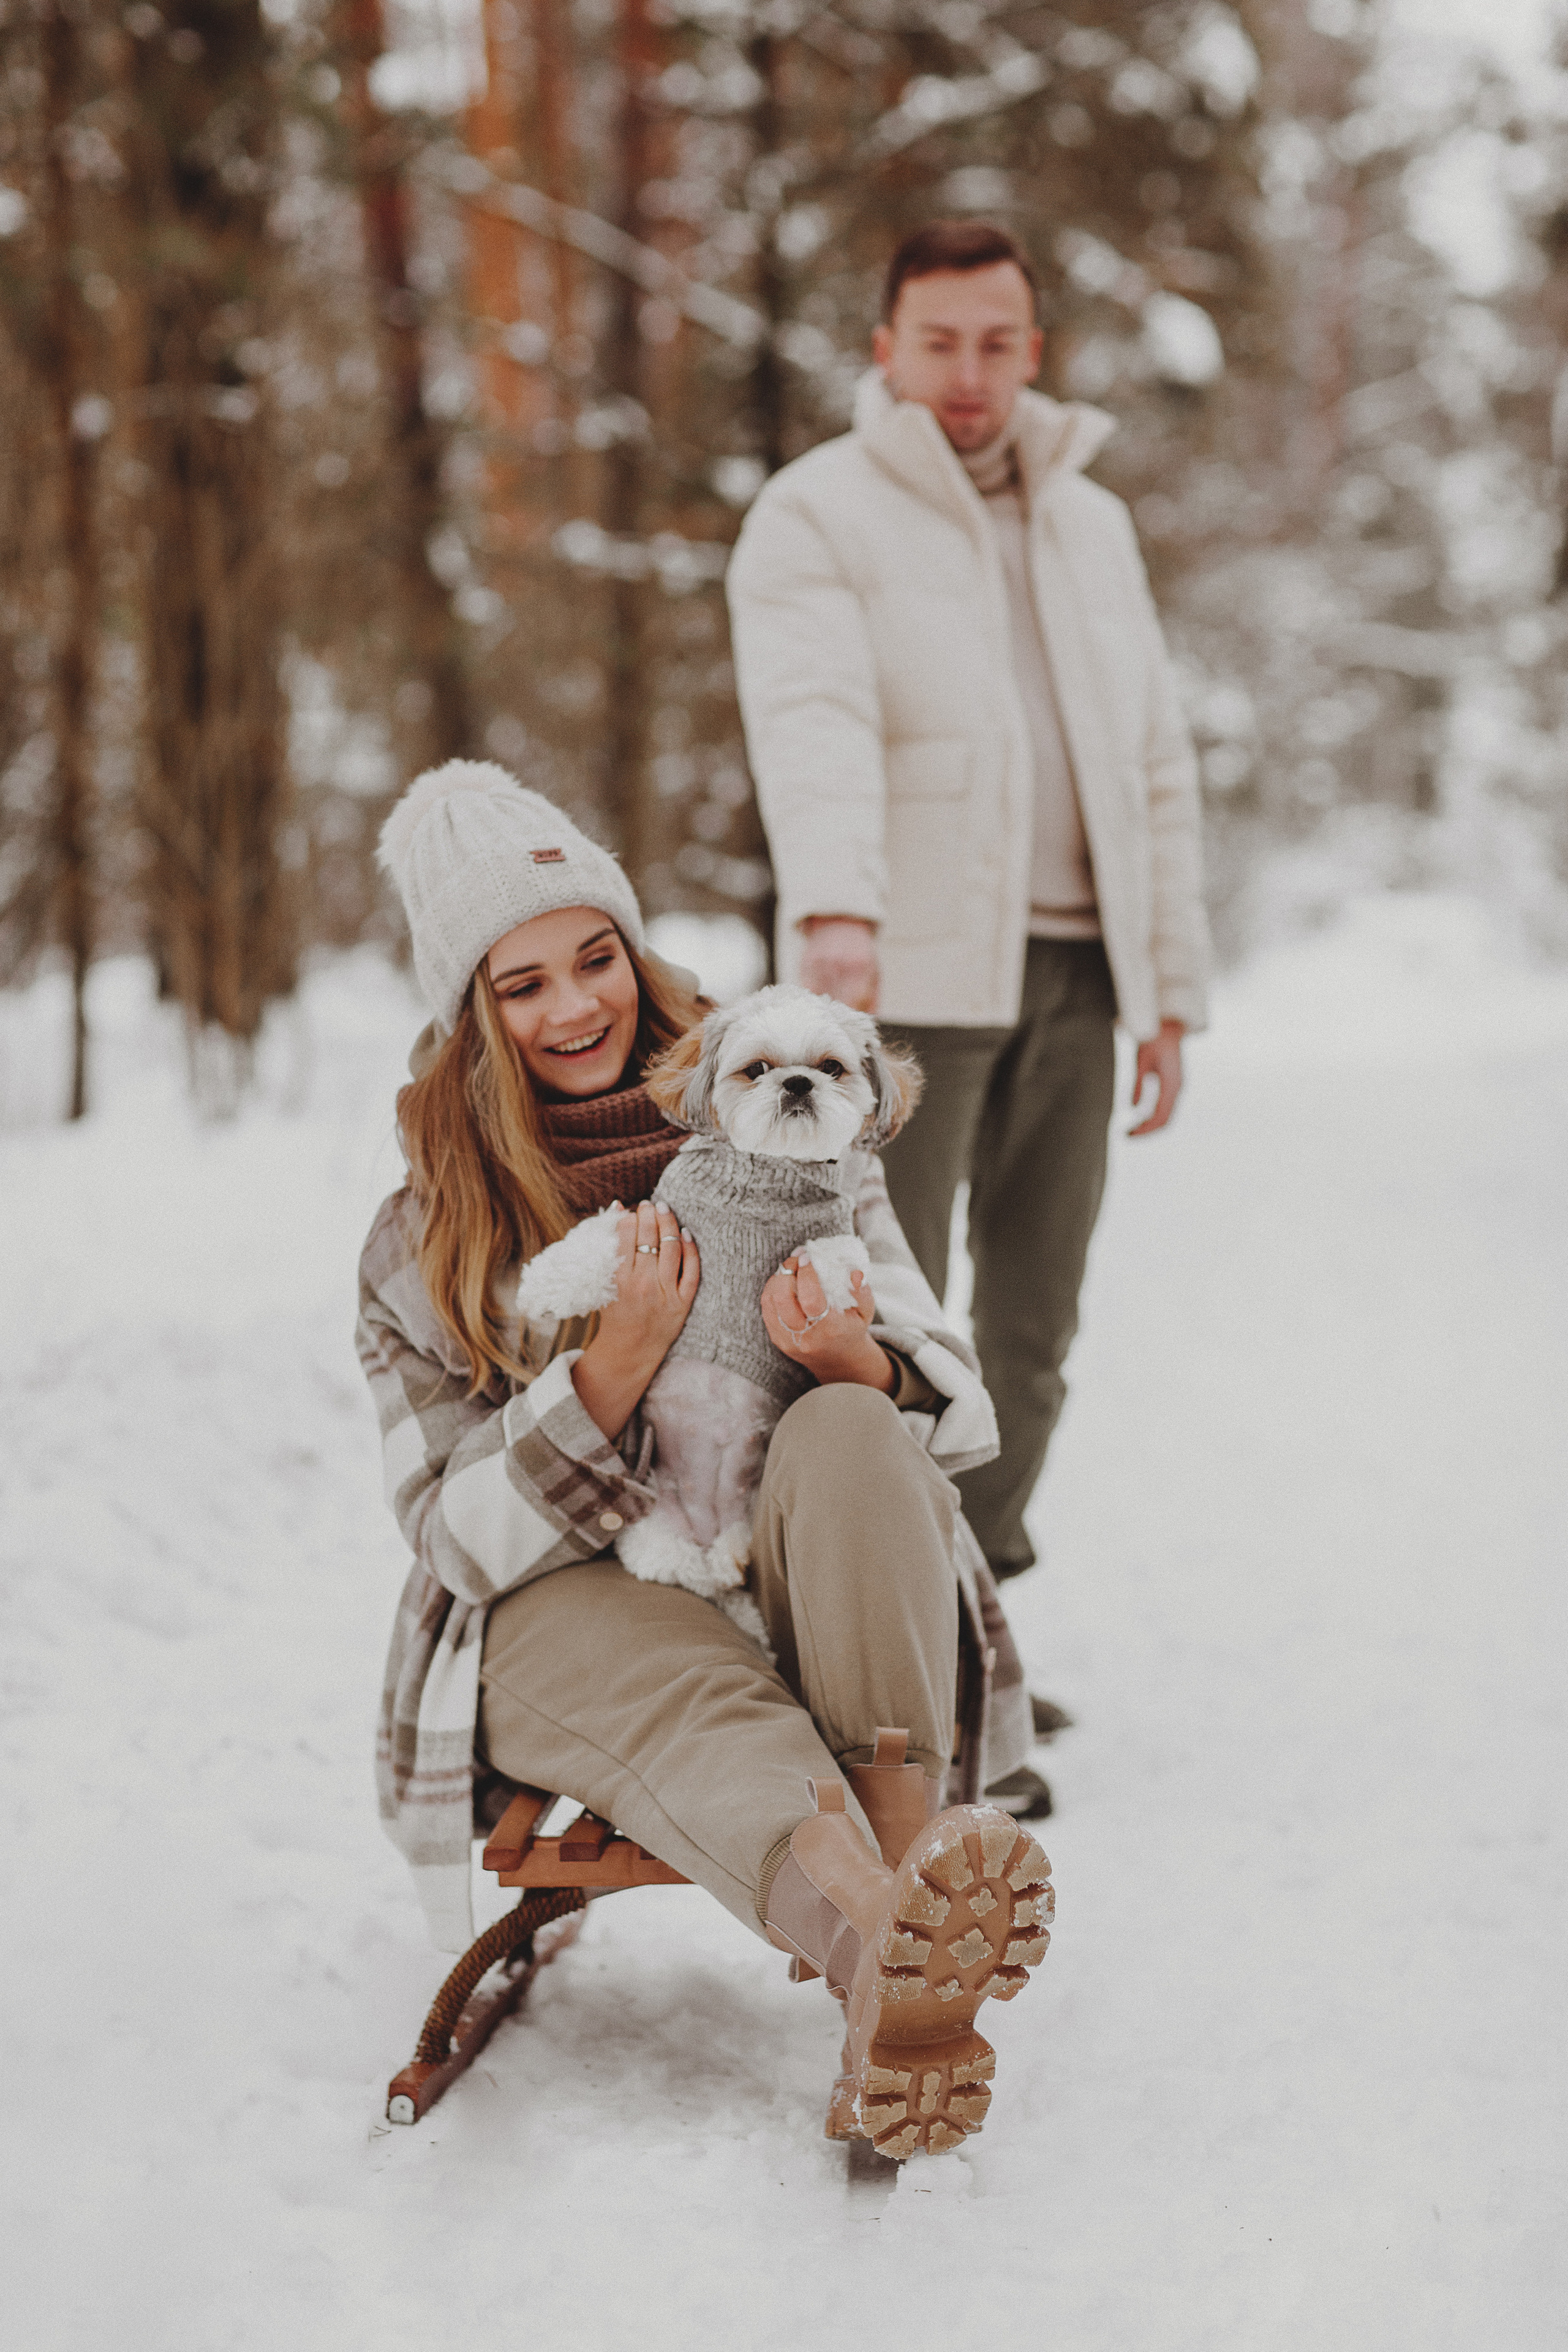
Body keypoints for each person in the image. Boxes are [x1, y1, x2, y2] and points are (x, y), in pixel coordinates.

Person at [355, 757, 1050, 2158]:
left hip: (816, 1593)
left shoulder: (804, 1119)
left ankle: (892, 1914)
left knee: (855, 1425)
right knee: (684, 1683)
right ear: (471, 1021)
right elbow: (454, 1542)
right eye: (522, 984)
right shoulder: (419, 1238)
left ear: (633, 950)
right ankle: (890, 1943)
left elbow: (956, 1416)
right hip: (565, 1606)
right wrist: (607, 1372)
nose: (576, 1007)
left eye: (594, 958)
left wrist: (857, 1362)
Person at [726, 220, 1211, 1782]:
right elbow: (812, 719)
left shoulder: (1090, 524)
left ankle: (973, 1624)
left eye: (997, 342)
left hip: (1078, 970)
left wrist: (1169, 988)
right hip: (910, 983)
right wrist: (838, 915)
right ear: (885, 346)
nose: (967, 373)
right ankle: (894, 1663)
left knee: (1030, 1326)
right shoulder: (818, 513)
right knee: (888, 1327)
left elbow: (1150, 760)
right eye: (937, 341)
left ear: (1035, 349)